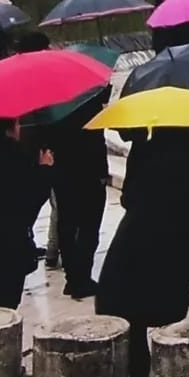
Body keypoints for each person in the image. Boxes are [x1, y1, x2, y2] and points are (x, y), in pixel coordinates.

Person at [97, 127, 189, 377]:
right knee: (161, 316)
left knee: (129, 314)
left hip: (135, 240)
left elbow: (128, 197)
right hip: (173, 245)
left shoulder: (148, 142)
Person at [0, 118, 53, 307]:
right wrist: (45, 169)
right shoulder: (13, 155)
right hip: (9, 242)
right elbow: (28, 203)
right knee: (6, 299)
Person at [45, 87, 111, 299]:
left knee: (67, 223)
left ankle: (73, 278)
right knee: (89, 227)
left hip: (62, 170)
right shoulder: (90, 100)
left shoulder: (52, 104)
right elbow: (96, 137)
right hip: (89, 171)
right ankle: (81, 278)